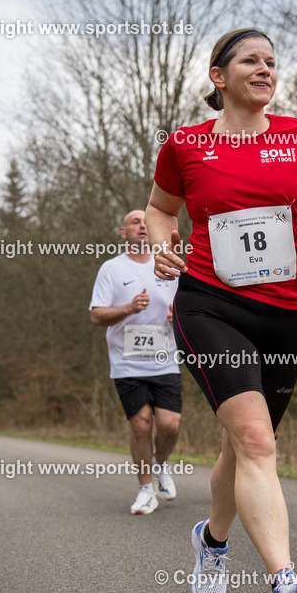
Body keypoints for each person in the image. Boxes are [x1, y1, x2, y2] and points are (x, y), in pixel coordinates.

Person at [146, 28, 297, 593]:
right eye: (250, 61)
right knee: (257, 442)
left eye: (271, 62)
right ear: (219, 76)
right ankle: (287, 582)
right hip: (210, 305)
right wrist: (164, 249)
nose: (265, 69)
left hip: (286, 312)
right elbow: (162, 210)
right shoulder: (185, 144)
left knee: (241, 449)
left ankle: (211, 540)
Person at [90, 210, 182, 515]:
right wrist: (128, 308)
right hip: (127, 362)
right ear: (123, 232)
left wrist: (178, 318)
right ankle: (145, 490)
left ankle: (160, 464)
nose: (142, 226)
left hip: (165, 360)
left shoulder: (168, 264)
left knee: (170, 425)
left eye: (146, 222)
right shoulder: (111, 269)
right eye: (135, 223)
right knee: (141, 425)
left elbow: (187, 308)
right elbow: (96, 315)